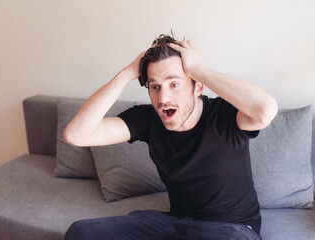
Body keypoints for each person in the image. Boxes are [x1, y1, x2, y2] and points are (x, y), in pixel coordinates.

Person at [63, 34, 278, 240]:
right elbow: (77, 134)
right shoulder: (147, 120)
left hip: (232, 230)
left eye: (174, 84)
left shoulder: (225, 116)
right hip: (175, 225)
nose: (163, 98)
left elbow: (265, 109)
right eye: (155, 87)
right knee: (81, 232)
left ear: (198, 87)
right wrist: (126, 74)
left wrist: (197, 69)